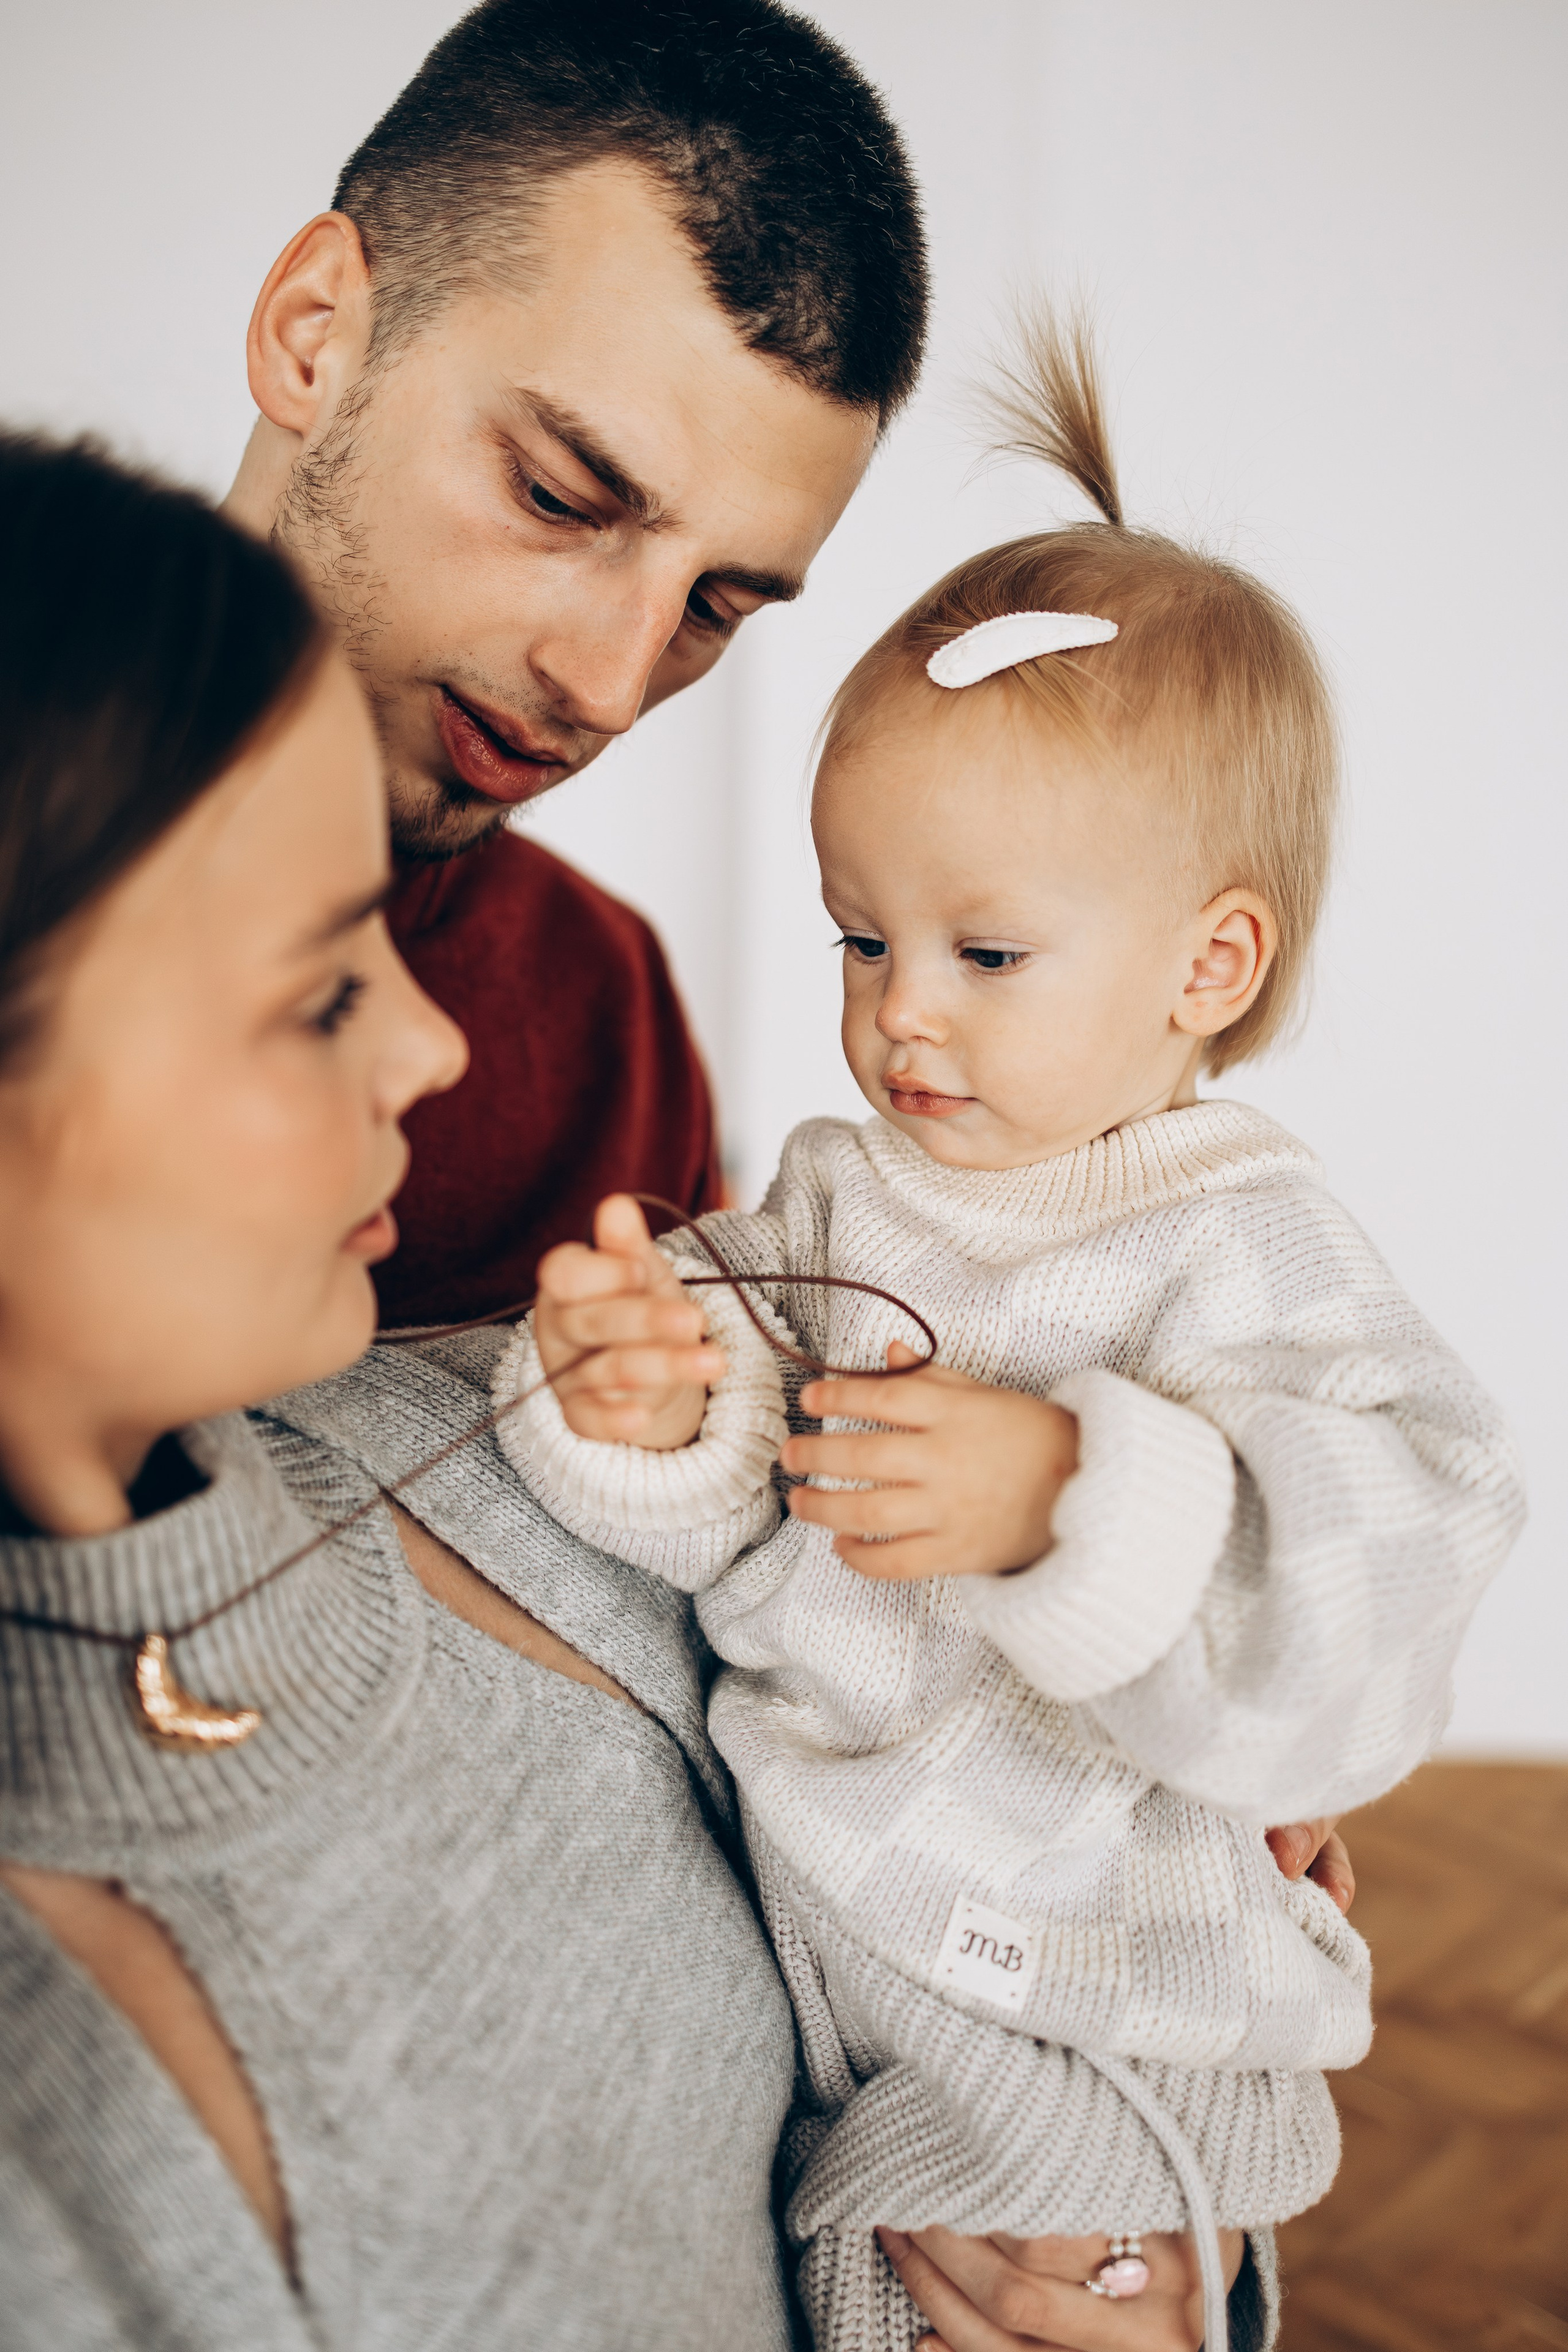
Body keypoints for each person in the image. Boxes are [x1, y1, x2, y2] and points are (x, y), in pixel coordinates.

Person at [0, 430, 1291, 2352]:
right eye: (317, 990)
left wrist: (1138, 2256)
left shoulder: (520, 1438)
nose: (439, 1043)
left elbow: (1033, 1903)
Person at [497, 319, 1525, 2349]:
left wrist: (1078, 1492)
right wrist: (639, 1396)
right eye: (863, 938)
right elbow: (722, 1494)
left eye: (982, 952)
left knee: (1069, 2313)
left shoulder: (1246, 1244)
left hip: (1116, 2014)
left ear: (1207, 964)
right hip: (846, 1994)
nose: (903, 1015)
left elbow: (1404, 1550)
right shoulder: (835, 1196)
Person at [224, 0, 928, 1327]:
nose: (609, 688)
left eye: (713, 606)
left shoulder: (613, 1030)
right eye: (556, 498)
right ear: (315, 332)